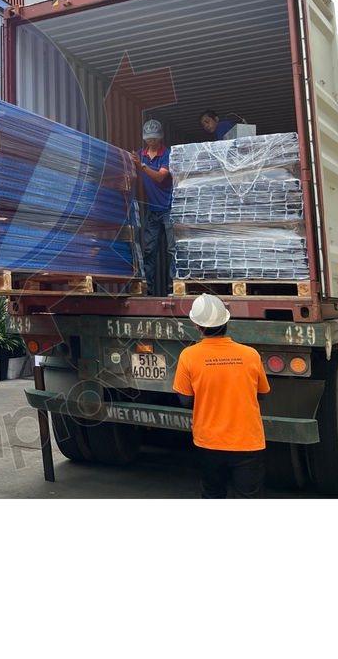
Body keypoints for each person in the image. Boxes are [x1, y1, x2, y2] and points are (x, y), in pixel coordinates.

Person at [173, 294, 271, 498]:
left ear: (197, 326)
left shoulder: (188, 356)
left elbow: (185, 400)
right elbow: (262, 394)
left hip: (209, 442)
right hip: (248, 442)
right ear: (227, 321)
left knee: (213, 495)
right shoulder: (250, 354)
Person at [138, 119, 174, 295]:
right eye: (148, 138)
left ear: (161, 137)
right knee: (149, 250)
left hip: (169, 208)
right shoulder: (140, 154)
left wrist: (142, 166)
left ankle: (174, 287)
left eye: (154, 138)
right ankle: (148, 290)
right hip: (152, 210)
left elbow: (160, 177)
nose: (151, 141)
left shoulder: (167, 154)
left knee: (172, 249)